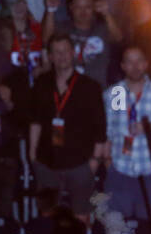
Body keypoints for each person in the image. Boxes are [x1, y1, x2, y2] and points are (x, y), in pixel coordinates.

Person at [28, 34, 106, 224]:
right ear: (50, 56)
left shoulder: (90, 87)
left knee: (81, 217)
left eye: (65, 51)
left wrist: (94, 161)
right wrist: (32, 155)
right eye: (57, 52)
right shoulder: (41, 83)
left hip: (79, 164)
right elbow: (35, 121)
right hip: (47, 162)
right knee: (47, 216)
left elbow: (100, 128)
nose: (62, 56)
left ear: (73, 53)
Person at [99, 45, 151, 223]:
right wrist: (109, 164)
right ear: (122, 66)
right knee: (118, 231)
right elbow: (108, 129)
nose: (135, 66)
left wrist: (150, 127)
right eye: (129, 62)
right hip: (120, 170)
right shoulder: (116, 93)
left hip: (149, 172)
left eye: (139, 61)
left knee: (147, 229)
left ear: (146, 64)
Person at [42, 0, 122, 86]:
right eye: (78, 7)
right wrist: (50, 10)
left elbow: (118, 37)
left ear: (94, 8)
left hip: (97, 89)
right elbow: (47, 40)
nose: (83, 12)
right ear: (71, 7)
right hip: (67, 89)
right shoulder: (63, 28)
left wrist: (106, 13)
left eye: (88, 7)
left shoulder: (102, 29)